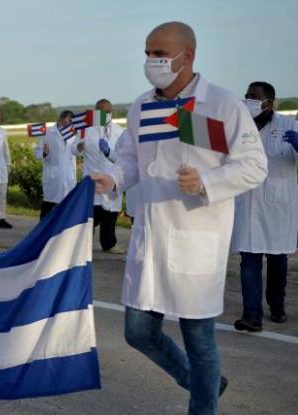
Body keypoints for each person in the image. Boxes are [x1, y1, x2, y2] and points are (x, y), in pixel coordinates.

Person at [92, 22, 267, 414]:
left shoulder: (221, 106)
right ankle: (202, 383)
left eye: (160, 54)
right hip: (150, 237)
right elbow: (130, 159)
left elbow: (254, 167)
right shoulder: (143, 107)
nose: (151, 61)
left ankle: (202, 405)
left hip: (196, 239)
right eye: (148, 53)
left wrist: (207, 180)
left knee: (199, 338)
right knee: (137, 332)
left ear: (187, 56)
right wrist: (113, 178)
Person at [231, 81, 298, 331]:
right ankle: (252, 315)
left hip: (277, 207)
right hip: (247, 203)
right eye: (247, 94)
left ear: (268, 101)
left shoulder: (289, 125)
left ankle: (277, 306)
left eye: (255, 96)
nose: (249, 99)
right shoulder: (239, 129)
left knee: (278, 261)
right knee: (249, 260)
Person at [73, 99, 125, 251]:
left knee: (110, 215)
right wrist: (79, 146)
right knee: (91, 216)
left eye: (107, 112)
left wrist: (109, 152)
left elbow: (123, 156)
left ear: (112, 112)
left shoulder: (120, 132)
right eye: (101, 112)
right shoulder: (86, 131)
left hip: (112, 177)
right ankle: (83, 247)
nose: (104, 115)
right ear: (96, 113)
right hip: (93, 178)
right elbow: (73, 151)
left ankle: (109, 244)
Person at [35, 110, 77, 219]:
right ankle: (42, 231)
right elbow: (37, 152)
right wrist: (44, 152)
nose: (70, 123)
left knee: (67, 205)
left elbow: (77, 151)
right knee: (48, 205)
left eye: (71, 121)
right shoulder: (48, 132)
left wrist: (81, 147)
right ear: (61, 119)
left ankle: (62, 232)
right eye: (68, 120)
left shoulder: (74, 133)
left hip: (68, 176)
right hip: (53, 175)